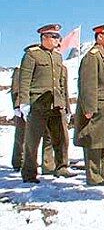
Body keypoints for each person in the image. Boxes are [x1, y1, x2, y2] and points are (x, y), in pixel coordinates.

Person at [18, 24, 76, 183]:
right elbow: (24, 80)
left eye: (59, 37)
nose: (58, 40)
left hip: (56, 104)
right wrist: (24, 102)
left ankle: (61, 167)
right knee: (32, 140)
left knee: (61, 138)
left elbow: (61, 84)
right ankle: (29, 173)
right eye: (55, 37)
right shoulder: (32, 55)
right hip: (38, 104)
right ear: (45, 37)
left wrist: (66, 106)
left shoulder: (57, 56)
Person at [74, 23, 104, 186]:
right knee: (93, 141)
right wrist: (89, 108)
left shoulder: (103, 55)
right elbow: (87, 84)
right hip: (96, 107)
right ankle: (93, 176)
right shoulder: (92, 57)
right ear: (100, 37)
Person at [10, 67, 25, 171]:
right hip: (22, 107)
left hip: (35, 106)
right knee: (21, 136)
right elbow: (15, 89)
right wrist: (17, 106)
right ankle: (18, 162)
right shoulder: (20, 69)